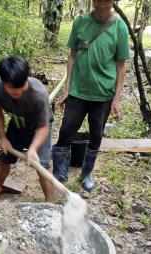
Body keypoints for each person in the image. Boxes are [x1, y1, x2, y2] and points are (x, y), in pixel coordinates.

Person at [53, 0, 129, 192]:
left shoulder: (119, 26)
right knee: (66, 131)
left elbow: (121, 66)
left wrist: (117, 98)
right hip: (78, 91)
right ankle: (59, 175)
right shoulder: (80, 21)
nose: (101, 2)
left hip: (103, 94)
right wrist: (68, 88)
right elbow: (72, 55)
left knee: (96, 135)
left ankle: (86, 174)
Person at [0, 56, 54, 206]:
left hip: (39, 127)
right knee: (4, 160)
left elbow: (44, 126)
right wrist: (2, 137)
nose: (18, 91)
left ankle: (50, 204)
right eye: (12, 87)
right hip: (17, 124)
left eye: (21, 86)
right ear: (3, 82)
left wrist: (32, 149)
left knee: (43, 167)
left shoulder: (38, 93)